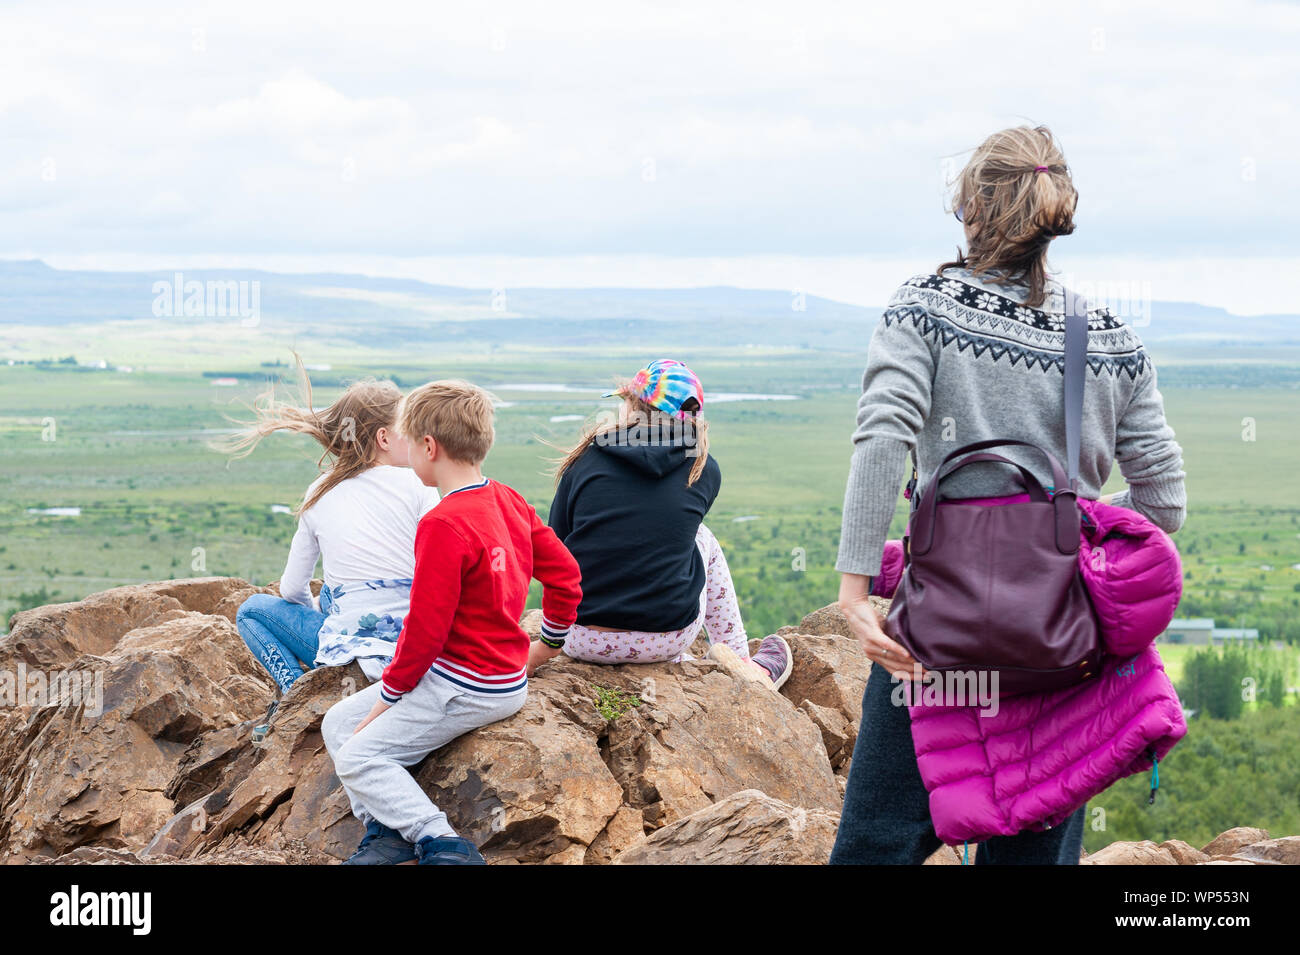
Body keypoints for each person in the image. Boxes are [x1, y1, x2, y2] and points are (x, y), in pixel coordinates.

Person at [830, 125, 1187, 865]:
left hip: (937, 634)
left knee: (879, 840)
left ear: (970, 209)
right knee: (1031, 851)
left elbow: (882, 435)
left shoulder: (923, 305)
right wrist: (1071, 538)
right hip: (1061, 640)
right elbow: (1165, 499)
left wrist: (855, 588)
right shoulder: (1113, 336)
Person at [321, 380, 582, 865]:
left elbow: (425, 632)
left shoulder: (442, 524)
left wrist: (390, 696)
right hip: (501, 676)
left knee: (357, 754)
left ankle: (442, 843)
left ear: (428, 446)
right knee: (337, 723)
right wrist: (549, 643)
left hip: (463, 684)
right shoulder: (507, 499)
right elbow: (566, 574)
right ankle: (387, 829)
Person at [533, 358, 792, 688]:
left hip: (577, 638)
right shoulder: (702, 467)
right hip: (665, 639)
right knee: (702, 537)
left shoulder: (586, 460)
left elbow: (557, 546)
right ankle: (741, 662)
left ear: (632, 406)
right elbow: (669, 536)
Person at [218, 363, 439, 735]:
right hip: (414, 649)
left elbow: (290, 589)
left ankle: (296, 694)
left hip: (348, 651)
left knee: (252, 611)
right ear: (384, 438)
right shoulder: (421, 487)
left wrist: (322, 616)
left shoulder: (320, 491)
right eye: (409, 430)